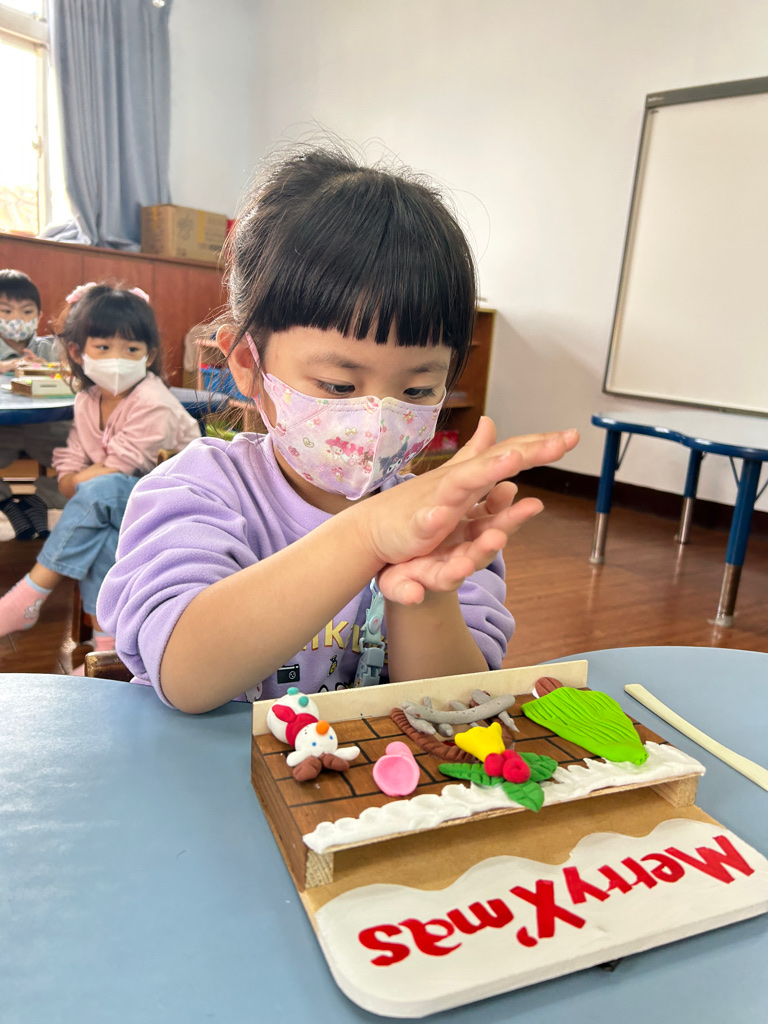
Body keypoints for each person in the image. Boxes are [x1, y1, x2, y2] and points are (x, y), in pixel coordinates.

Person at [97, 146, 579, 714]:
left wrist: (426, 592)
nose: (377, 416)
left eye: (417, 391)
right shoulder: (197, 490)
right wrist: (367, 535)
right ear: (248, 363)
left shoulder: (442, 524)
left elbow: (454, 710)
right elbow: (187, 676)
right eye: (339, 385)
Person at [0, 283, 201, 668]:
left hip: (174, 504)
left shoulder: (152, 399)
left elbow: (119, 467)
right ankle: (106, 645)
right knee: (103, 529)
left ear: (149, 355)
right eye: (104, 347)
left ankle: (29, 594)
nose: (117, 359)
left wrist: (78, 481)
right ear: (79, 352)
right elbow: (72, 460)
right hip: (122, 509)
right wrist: (76, 478)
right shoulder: (86, 400)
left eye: (131, 350)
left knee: (103, 490)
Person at [0, 269, 70, 541]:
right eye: (6, 311)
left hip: (50, 428)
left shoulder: (51, 348)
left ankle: (40, 500)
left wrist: (51, 370)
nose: (16, 319)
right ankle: (5, 502)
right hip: (3, 431)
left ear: (39, 316)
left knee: (92, 454)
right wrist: (5, 366)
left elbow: (78, 379)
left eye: (27, 311)